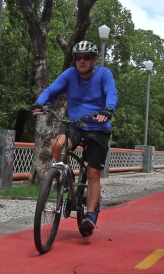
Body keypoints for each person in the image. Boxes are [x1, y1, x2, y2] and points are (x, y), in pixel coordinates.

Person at [31, 40, 118, 236]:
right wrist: (40, 103)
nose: (82, 61)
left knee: (93, 174)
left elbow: (111, 94)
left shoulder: (104, 74)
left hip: (98, 128)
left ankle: (89, 215)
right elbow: (52, 90)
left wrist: (108, 109)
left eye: (86, 57)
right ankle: (64, 176)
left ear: (94, 59)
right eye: (78, 58)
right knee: (57, 144)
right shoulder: (70, 75)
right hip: (77, 125)